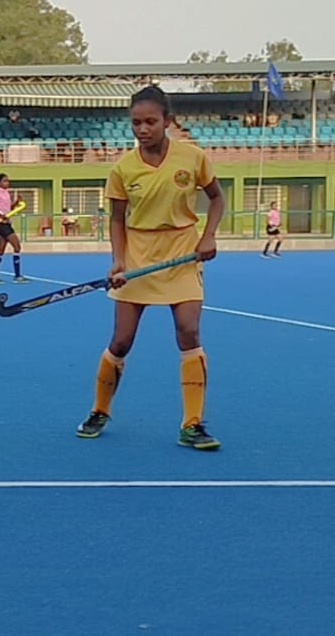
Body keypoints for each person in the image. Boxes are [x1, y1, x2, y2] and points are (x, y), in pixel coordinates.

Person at [76, 86, 225, 450]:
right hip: (139, 257)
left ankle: (192, 424)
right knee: (121, 340)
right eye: (136, 123)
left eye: (150, 122)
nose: (142, 129)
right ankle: (100, 410)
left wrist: (208, 237)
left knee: (189, 332)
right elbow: (116, 219)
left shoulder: (192, 157)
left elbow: (217, 198)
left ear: (167, 122)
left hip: (183, 254)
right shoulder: (123, 168)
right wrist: (118, 260)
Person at [0, 173, 29, 284]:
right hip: (2, 223)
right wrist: (0, 215)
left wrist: (16, 203)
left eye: (8, 181)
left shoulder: (6, 194)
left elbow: (8, 209)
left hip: (7, 222)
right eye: (5, 181)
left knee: (1, 249)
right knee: (17, 246)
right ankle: (17, 276)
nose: (7, 183)